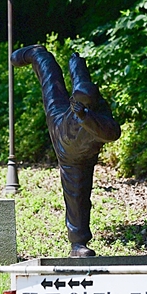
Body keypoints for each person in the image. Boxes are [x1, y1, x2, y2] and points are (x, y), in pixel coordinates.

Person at [11, 44, 121, 258]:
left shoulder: (95, 112)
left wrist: (86, 115)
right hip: (66, 141)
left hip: (80, 153)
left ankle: (78, 244)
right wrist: (76, 64)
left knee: (78, 197)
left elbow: (113, 132)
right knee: (50, 83)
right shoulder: (75, 118)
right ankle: (38, 54)